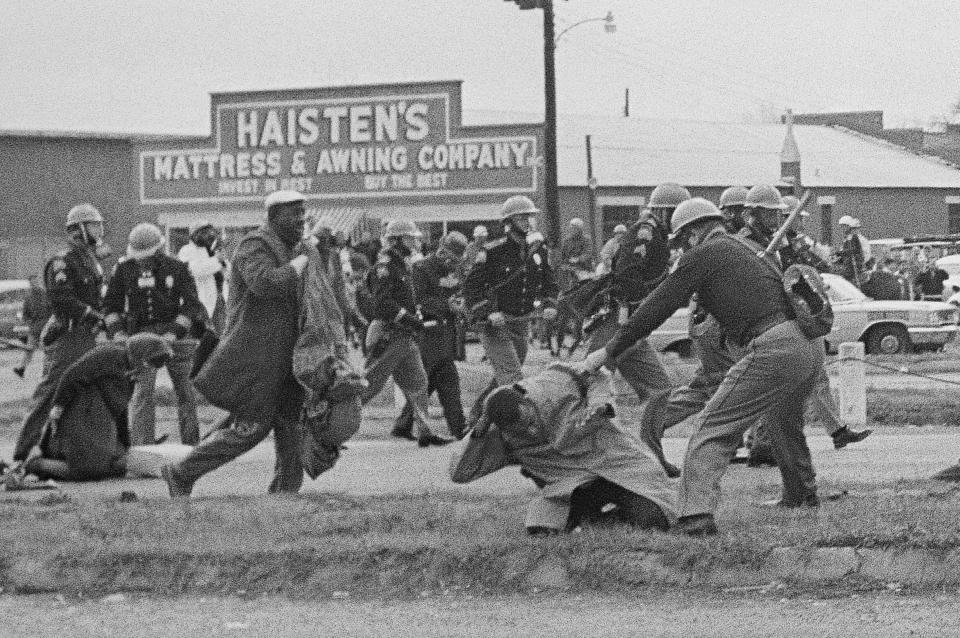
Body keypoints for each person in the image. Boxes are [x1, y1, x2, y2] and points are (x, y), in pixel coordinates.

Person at [581, 195, 825, 536]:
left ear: (693, 233)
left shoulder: (703, 255)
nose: (680, 249)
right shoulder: (745, 249)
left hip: (773, 347)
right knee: (783, 422)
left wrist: (608, 351)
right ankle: (801, 495)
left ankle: (695, 516)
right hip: (807, 346)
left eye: (681, 241)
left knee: (712, 426)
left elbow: (656, 308)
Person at [161, 190, 315, 497]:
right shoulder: (253, 245)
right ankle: (181, 472)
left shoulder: (294, 247)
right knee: (250, 430)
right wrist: (299, 264)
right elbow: (265, 284)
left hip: (287, 357)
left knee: (291, 427)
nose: (301, 219)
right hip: (256, 357)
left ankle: (285, 497)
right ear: (273, 216)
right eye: (293, 213)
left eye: (303, 212)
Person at [450, 363, 675, 535]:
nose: (529, 429)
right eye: (519, 429)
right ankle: (593, 521)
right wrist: (478, 431)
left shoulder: (554, 382)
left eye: (527, 419)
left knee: (655, 518)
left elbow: (598, 372)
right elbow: (461, 473)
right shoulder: (500, 433)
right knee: (541, 531)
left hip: (614, 464)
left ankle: (606, 519)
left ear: (525, 401)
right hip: (569, 488)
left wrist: (599, 403)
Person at [11, 204, 109, 468]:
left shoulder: (91, 259)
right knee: (51, 392)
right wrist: (90, 315)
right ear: (78, 229)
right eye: (93, 224)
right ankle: (22, 453)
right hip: (67, 337)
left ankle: (82, 449)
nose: (100, 229)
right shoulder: (62, 261)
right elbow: (61, 298)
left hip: (89, 336)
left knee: (88, 392)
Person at [583, 183, 687, 406]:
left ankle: (649, 442)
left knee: (659, 391)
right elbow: (627, 275)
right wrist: (647, 306)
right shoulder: (646, 234)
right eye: (675, 213)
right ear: (662, 212)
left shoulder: (659, 236)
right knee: (588, 387)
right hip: (619, 320)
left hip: (633, 325)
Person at [18, 333, 173, 481]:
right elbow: (72, 375)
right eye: (148, 363)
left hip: (99, 421)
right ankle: (35, 464)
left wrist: (126, 445)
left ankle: (60, 465)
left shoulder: (129, 370)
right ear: (139, 353)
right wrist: (58, 407)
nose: (148, 369)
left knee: (118, 466)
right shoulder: (110, 354)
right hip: (81, 415)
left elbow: (120, 410)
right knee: (87, 471)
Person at [103, 223, 206, 446]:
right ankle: (143, 445)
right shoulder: (124, 270)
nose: (142, 261)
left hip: (174, 335)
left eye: (147, 256)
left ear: (159, 251)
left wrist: (174, 333)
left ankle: (192, 444)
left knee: (185, 392)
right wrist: (119, 334)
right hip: (141, 337)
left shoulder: (177, 268)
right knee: (142, 392)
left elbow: (191, 305)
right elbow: (110, 307)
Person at [463, 195, 558, 428]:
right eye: (521, 217)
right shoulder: (493, 251)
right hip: (495, 325)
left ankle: (476, 420)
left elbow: (549, 282)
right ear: (509, 221)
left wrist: (549, 304)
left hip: (520, 322)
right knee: (512, 376)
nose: (527, 221)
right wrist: (487, 312)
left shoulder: (537, 250)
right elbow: (471, 287)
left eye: (529, 216)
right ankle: (515, 431)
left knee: (502, 378)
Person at [361, 219, 451, 447]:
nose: (415, 241)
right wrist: (409, 319)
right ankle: (328, 428)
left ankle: (425, 432)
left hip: (405, 336)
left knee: (419, 383)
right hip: (389, 336)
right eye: (410, 237)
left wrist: (416, 319)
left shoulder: (403, 264)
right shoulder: (386, 265)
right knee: (369, 385)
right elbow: (383, 304)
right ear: (398, 240)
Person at [393, 231, 470, 441]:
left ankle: (404, 423)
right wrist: (446, 305)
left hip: (448, 332)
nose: (451, 262)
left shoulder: (456, 271)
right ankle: (458, 426)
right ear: (441, 250)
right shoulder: (421, 269)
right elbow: (418, 300)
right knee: (440, 379)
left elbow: (459, 292)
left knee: (433, 380)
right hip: (428, 331)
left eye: (455, 259)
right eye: (449, 257)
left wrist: (460, 304)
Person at [177, 219, 228, 335]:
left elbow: (227, 273)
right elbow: (194, 270)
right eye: (204, 232)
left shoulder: (214, 250)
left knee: (222, 333)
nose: (209, 235)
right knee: (204, 334)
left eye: (210, 231)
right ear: (194, 235)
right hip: (200, 300)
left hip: (219, 298)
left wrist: (224, 263)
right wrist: (216, 260)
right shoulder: (187, 251)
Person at [13, 276, 52, 379]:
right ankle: (21, 369)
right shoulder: (29, 298)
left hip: (45, 327)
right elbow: (25, 314)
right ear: (30, 284)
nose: (34, 284)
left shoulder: (45, 295)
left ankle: (46, 371)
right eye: (32, 282)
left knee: (47, 350)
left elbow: (51, 309)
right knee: (29, 350)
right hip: (35, 328)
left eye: (36, 282)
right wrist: (29, 322)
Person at [835, 215, 870, 287]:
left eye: (844, 226)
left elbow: (854, 250)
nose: (842, 228)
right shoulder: (846, 238)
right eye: (841, 226)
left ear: (849, 227)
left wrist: (841, 252)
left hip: (855, 264)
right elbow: (845, 253)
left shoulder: (853, 237)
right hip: (847, 263)